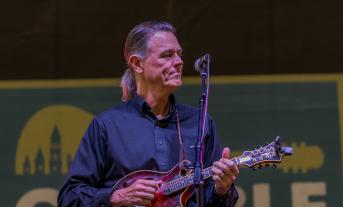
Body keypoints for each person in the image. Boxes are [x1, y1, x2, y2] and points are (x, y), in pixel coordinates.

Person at [58, 20, 239, 207]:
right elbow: (69, 197)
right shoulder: (107, 125)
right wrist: (117, 197)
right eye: (167, 55)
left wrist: (222, 190)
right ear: (137, 63)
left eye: (179, 54)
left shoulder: (200, 123)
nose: (178, 62)